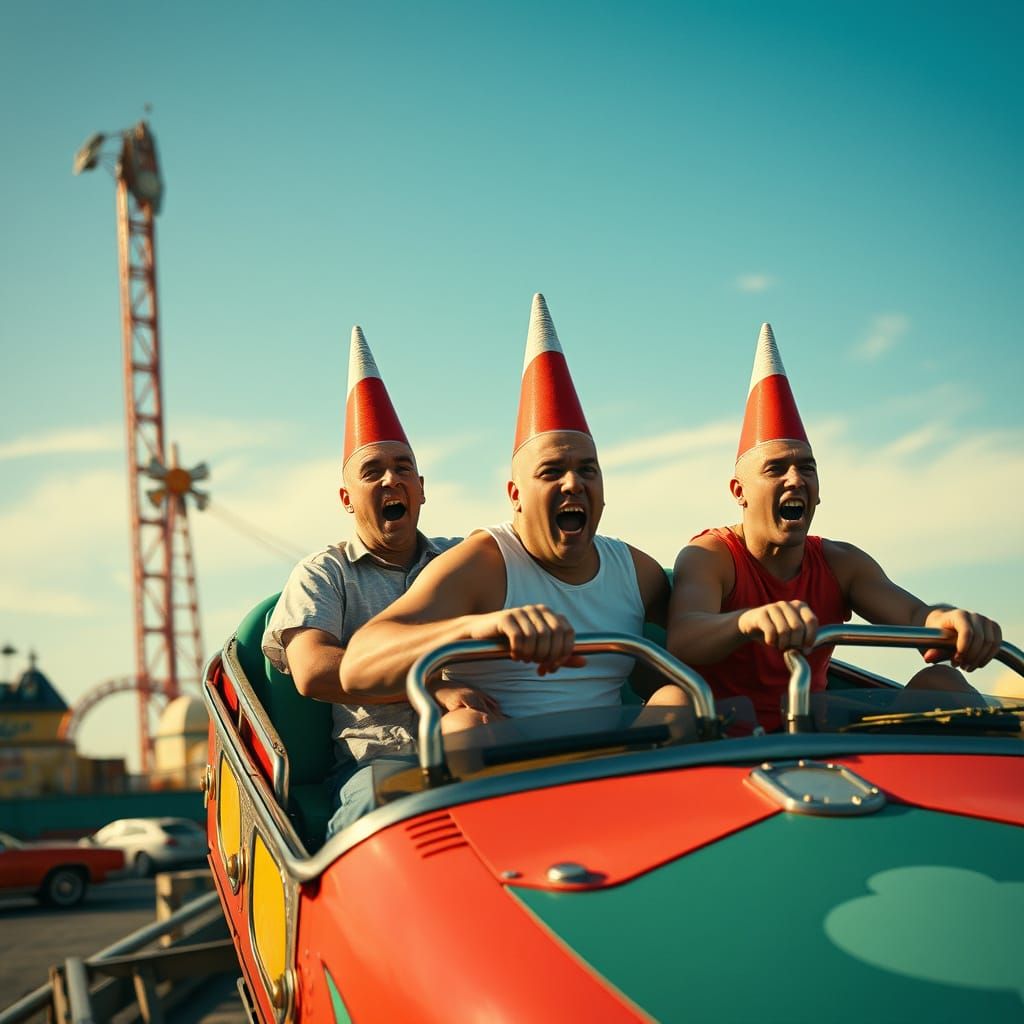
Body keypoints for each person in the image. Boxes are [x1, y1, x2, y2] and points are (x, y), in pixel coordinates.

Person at [342, 293, 684, 726]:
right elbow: (357, 667)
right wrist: (474, 628)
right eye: (552, 472)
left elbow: (696, 640)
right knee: (462, 725)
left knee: (679, 699)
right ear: (515, 494)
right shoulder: (480, 564)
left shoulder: (636, 571)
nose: (573, 484)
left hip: (620, 757)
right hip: (505, 758)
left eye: (587, 470)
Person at [666, 322, 1003, 731]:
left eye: (806, 468)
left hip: (817, 740)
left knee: (943, 683)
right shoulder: (711, 554)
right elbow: (683, 636)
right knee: (670, 701)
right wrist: (749, 622)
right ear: (740, 491)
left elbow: (915, 614)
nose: (795, 479)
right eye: (776, 469)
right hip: (723, 743)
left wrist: (950, 621)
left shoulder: (840, 562)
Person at [262, 325, 458, 836]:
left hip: (478, 745)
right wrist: (430, 684)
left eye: (403, 468)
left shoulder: (463, 558)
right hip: (381, 762)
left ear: (421, 488)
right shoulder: (324, 573)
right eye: (372, 471)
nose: (391, 479)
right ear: (347, 499)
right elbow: (313, 670)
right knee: (378, 813)